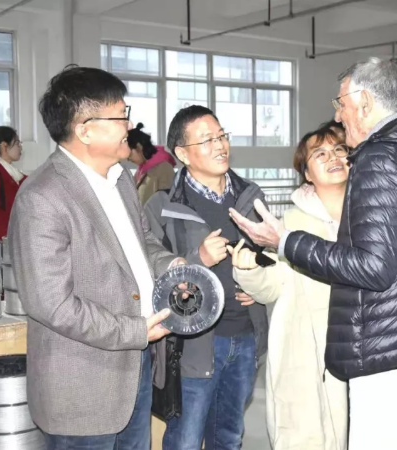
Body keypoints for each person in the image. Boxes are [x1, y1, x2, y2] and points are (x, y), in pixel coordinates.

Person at [229, 57, 397, 450]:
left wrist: (285, 241)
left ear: (364, 103)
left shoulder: (381, 157)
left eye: (341, 103)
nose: (338, 115)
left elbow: (374, 267)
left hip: (392, 345)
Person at [7, 65, 185, 450]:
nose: (129, 125)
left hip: (134, 370)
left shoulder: (120, 179)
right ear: (85, 131)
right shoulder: (42, 198)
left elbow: (144, 242)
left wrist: (171, 267)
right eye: (120, 116)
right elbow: (51, 304)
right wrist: (135, 332)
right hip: (82, 389)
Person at [144, 105, 268, 450]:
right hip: (192, 347)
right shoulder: (162, 206)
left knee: (229, 437)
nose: (220, 145)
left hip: (245, 337)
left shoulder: (251, 198)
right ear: (182, 154)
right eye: (206, 140)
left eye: (221, 135)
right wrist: (198, 259)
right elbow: (151, 277)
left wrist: (260, 287)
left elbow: (272, 258)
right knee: (184, 441)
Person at [229, 120, 350, 450]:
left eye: (339, 149)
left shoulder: (373, 216)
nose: (333, 157)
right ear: (307, 173)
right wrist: (248, 270)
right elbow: (272, 286)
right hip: (309, 353)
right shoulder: (291, 224)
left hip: (365, 348)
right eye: (320, 153)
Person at [127, 122, 176, 205]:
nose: (128, 159)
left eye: (130, 154)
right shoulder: (142, 170)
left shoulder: (164, 168)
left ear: (139, 147)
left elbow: (168, 203)